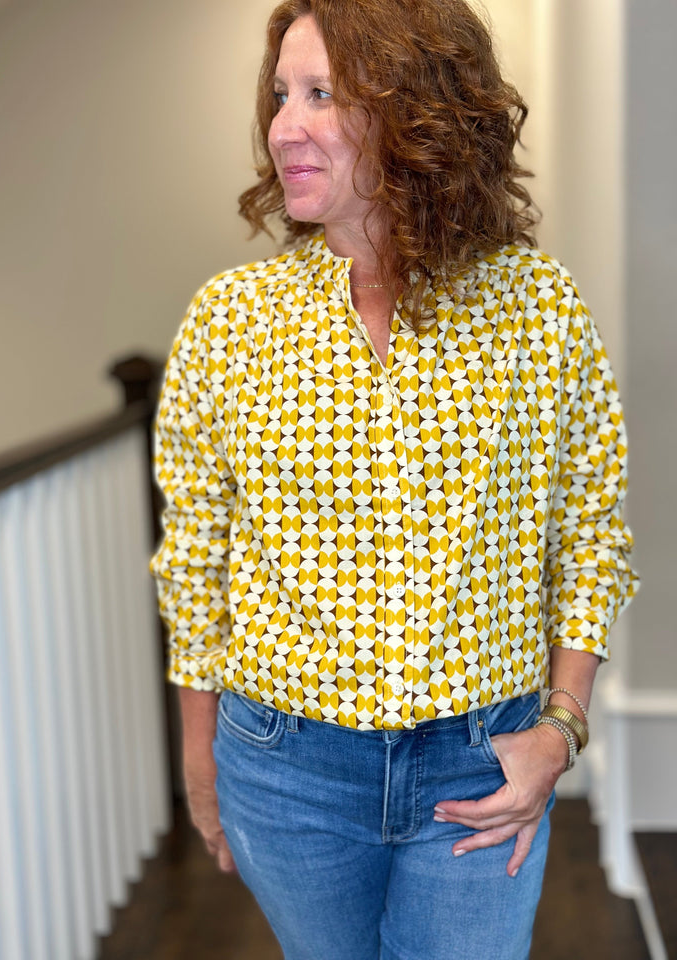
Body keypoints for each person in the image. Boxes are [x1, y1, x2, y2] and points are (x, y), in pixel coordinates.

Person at [150, 1, 639, 957]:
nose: (283, 127)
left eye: (322, 95)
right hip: (286, 769)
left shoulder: (538, 309)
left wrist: (562, 727)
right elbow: (195, 557)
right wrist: (199, 761)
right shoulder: (230, 322)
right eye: (280, 95)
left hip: (483, 763)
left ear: (419, 109)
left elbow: (590, 531)